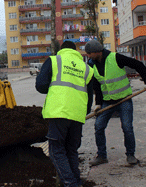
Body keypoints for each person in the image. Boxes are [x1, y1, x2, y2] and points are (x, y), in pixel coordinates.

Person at [84, 39, 146, 166]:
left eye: (89, 53)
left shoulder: (115, 57)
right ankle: (102, 156)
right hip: (107, 102)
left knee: (127, 127)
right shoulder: (92, 64)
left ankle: (131, 155)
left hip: (124, 99)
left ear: (96, 52)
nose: (88, 56)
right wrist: (98, 103)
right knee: (98, 126)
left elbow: (138, 65)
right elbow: (97, 85)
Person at [35, 41, 94, 187]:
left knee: (56, 151)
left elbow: (41, 85)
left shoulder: (54, 60)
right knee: (71, 151)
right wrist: (83, 112)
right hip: (78, 114)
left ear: (61, 50)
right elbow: (90, 95)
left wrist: (54, 90)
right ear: (75, 51)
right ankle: (76, 182)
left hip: (59, 111)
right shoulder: (86, 68)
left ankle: (71, 183)